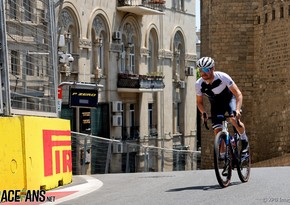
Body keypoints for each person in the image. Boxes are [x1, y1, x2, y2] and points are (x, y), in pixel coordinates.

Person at [195, 56, 249, 160]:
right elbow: (199, 102)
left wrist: (237, 110)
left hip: (229, 100)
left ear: (212, 69)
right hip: (216, 104)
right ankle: (225, 157)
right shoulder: (199, 84)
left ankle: (244, 139)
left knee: (233, 119)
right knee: (217, 130)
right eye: (200, 70)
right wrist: (203, 113)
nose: (203, 73)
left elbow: (238, 94)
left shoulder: (223, 77)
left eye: (206, 70)